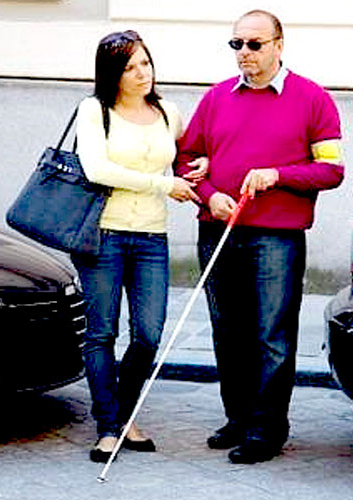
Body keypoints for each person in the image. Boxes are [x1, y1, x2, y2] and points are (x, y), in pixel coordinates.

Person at [174, 10, 344, 464]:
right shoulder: (215, 98)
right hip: (218, 230)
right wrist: (208, 197)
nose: (244, 54)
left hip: (277, 238)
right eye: (236, 45)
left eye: (254, 44)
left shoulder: (313, 98)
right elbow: (187, 158)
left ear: (279, 45)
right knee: (228, 331)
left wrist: (277, 175)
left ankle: (267, 429)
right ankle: (239, 418)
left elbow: (332, 170)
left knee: (271, 335)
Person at [73, 30, 206, 463]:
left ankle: (124, 413)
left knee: (148, 335)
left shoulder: (168, 110)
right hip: (103, 236)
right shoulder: (95, 110)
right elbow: (96, 168)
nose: (141, 74)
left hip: (152, 238)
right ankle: (108, 425)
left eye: (145, 63)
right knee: (102, 333)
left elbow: (189, 153)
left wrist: (200, 164)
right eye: (130, 67)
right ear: (112, 73)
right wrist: (164, 183)